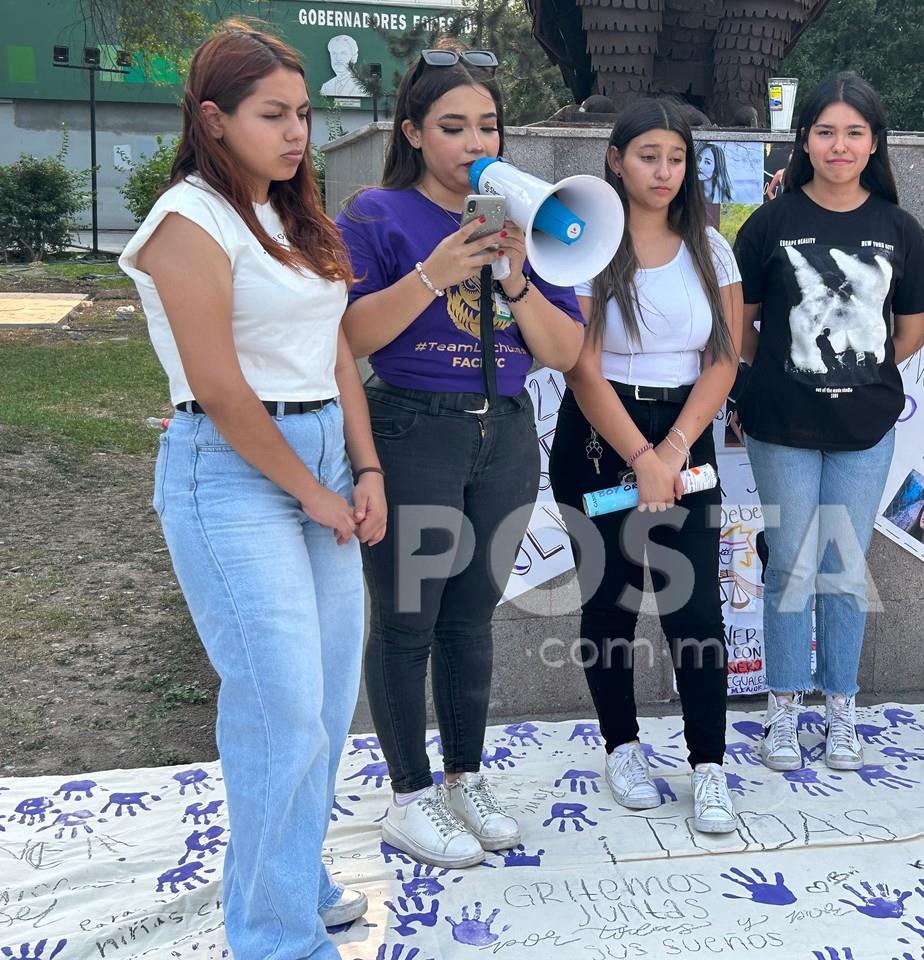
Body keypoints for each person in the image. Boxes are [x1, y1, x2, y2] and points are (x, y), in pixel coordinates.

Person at [118, 21, 386, 958]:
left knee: (319, 700)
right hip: (232, 472)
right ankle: (274, 938)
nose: (296, 132)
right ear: (213, 118)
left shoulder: (291, 216)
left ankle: (294, 877)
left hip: (318, 455)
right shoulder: (188, 221)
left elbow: (336, 352)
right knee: (277, 704)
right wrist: (312, 493)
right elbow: (222, 386)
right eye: (273, 115)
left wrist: (364, 469)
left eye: (304, 114)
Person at [336, 47, 585, 868]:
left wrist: (514, 275)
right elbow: (347, 338)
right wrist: (433, 272)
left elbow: (564, 348)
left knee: (471, 620)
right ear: (412, 131)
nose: (473, 140)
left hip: (505, 432)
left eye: (487, 125)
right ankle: (409, 797)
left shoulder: (526, 216)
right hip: (413, 428)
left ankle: (463, 778)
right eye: (452, 126)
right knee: (408, 620)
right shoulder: (378, 214)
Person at [732, 72, 924, 772]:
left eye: (855, 131)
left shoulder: (897, 228)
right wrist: (775, 375)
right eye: (825, 130)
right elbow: (740, 326)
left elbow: (908, 333)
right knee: (790, 565)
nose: (839, 144)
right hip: (779, 426)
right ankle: (783, 711)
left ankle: (842, 709)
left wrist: (856, 378)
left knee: (844, 567)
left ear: (874, 142)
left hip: (866, 429)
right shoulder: (772, 221)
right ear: (805, 139)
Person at [548, 98, 744, 833]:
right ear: (615, 159)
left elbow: (723, 358)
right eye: (648, 156)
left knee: (696, 608)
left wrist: (673, 449)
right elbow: (582, 366)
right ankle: (622, 746)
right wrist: (639, 452)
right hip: (602, 439)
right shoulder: (587, 247)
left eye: (677, 158)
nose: (664, 172)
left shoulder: (711, 247)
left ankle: (709, 764)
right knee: (612, 603)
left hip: (685, 436)